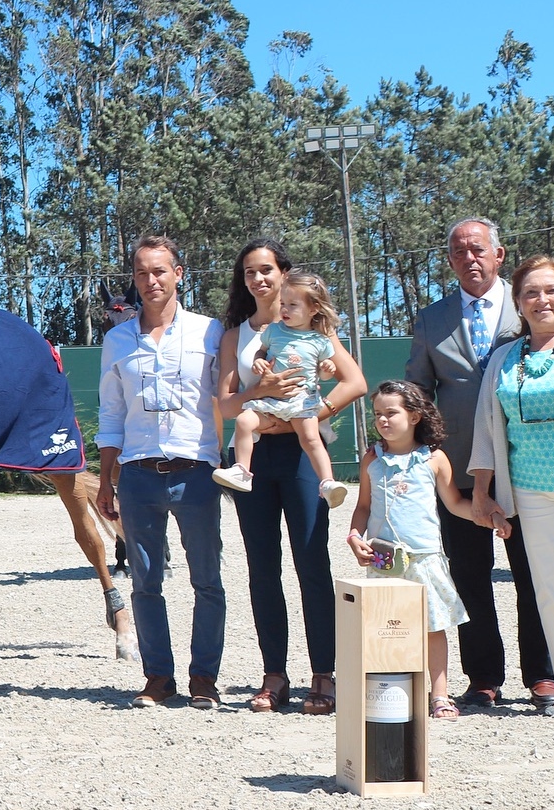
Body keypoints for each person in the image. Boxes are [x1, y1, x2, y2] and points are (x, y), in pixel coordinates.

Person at [407, 218, 554, 711]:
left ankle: (543, 674)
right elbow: (418, 392)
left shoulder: (526, 313)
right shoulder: (431, 320)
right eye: (457, 252)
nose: (468, 258)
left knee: (534, 574)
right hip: (457, 475)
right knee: (470, 577)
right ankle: (484, 678)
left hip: (524, 470)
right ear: (449, 261)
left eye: (477, 250)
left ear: (499, 255)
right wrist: (421, 452)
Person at [216, 240, 366, 715]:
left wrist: (310, 413)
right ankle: (274, 675)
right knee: (263, 570)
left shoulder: (313, 329)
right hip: (255, 459)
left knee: (311, 565)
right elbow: (224, 405)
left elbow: (355, 382)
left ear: (284, 274)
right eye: (249, 273)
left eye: (266, 270)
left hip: (302, 456)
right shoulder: (236, 337)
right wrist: (258, 390)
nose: (258, 279)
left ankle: (324, 674)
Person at [95, 235, 226, 710]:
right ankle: (158, 676)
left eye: (160, 271)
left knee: (206, 580)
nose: (151, 281)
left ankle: (204, 677)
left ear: (179, 274)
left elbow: (225, 398)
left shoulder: (210, 332)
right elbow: (111, 414)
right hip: (138, 474)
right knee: (145, 582)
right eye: (142, 273)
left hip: (195, 472)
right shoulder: (116, 340)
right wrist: (106, 480)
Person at [349, 381, 492, 720]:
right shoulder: (373, 458)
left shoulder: (434, 458)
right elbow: (363, 506)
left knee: (432, 627)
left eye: (391, 413)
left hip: (426, 559)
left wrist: (485, 515)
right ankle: (389, 693)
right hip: (384, 562)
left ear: (414, 416)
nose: (383, 420)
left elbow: (455, 503)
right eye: (378, 414)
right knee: (386, 627)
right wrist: (355, 535)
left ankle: (439, 695)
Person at [470, 254, 554, 719]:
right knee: (549, 589)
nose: (541, 300)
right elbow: (488, 431)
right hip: (529, 489)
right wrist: (483, 492)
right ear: (518, 303)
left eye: (551, 290)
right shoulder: (504, 360)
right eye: (531, 292)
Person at [214, 272, 350, 508]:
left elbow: (326, 374)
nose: (285, 309)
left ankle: (327, 481)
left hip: (302, 403)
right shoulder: (274, 331)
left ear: (314, 309)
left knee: (311, 439)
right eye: (283, 304)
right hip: (270, 402)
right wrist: (258, 360)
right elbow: (262, 351)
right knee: (245, 421)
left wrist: (327, 367)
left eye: (293, 305)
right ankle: (242, 471)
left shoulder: (320, 340)